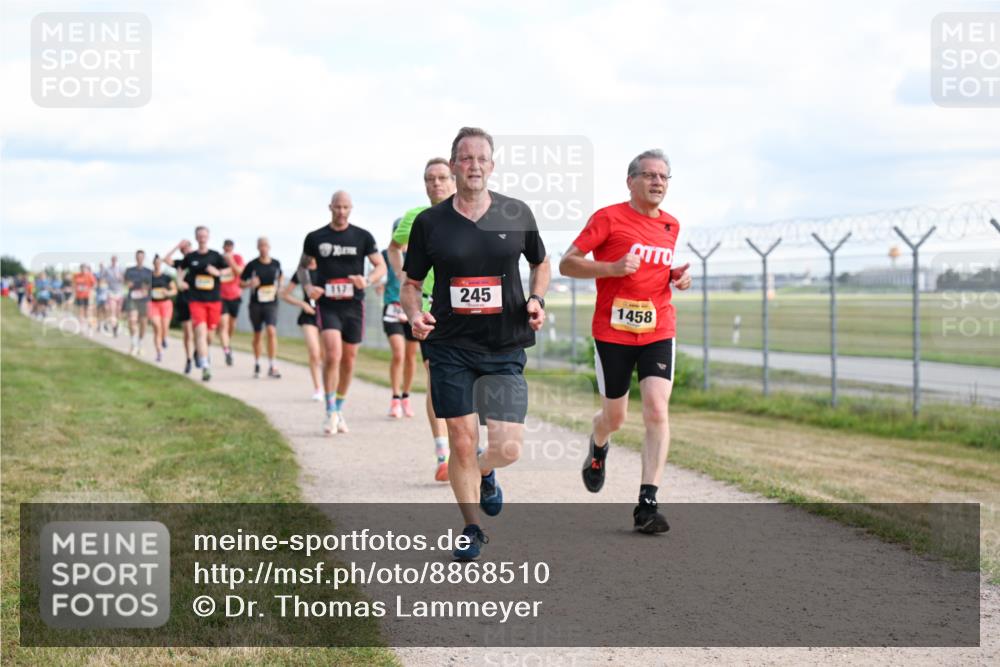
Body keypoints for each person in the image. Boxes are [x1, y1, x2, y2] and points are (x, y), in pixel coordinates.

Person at [401, 127, 550, 561]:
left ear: (493, 164)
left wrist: (537, 299)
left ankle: (487, 472)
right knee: (461, 440)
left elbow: (541, 262)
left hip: (504, 345)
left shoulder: (515, 212)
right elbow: (410, 285)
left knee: (507, 447)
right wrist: (414, 313)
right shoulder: (431, 224)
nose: (474, 165)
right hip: (450, 345)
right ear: (453, 165)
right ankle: (471, 528)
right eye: (465, 158)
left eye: (481, 157)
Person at [558, 148, 692, 534]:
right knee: (615, 417)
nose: (657, 182)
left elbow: (655, 270)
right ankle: (599, 445)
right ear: (630, 180)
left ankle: (647, 503)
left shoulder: (671, 225)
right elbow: (568, 262)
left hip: (658, 328)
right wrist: (611, 268)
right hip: (613, 331)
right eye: (649, 175)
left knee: (656, 409)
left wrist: (675, 277)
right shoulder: (608, 218)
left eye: (664, 177)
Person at [388, 156, 457, 482]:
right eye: (430, 179)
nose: (436, 184)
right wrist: (404, 275)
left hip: (464, 308)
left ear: (453, 179)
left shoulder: (469, 214)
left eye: (442, 178)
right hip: (430, 308)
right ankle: (443, 454)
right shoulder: (415, 217)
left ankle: (468, 445)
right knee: (436, 379)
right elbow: (393, 246)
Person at [297, 190, 386, 435]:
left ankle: (338, 408)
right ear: (330, 207)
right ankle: (329, 411)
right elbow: (303, 267)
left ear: (351, 208)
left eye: (346, 207)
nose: (341, 212)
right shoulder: (316, 237)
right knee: (333, 354)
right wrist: (307, 286)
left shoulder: (363, 236)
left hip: (354, 306)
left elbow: (381, 266)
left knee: (349, 359)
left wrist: (367, 280)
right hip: (328, 305)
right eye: (337, 207)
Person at [174, 227, 235, 381]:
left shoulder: (215, 256)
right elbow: (180, 270)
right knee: (200, 332)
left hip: (214, 301)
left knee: (209, 336)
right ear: (196, 237)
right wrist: (180, 282)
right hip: (196, 301)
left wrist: (218, 273)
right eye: (199, 235)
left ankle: (200, 353)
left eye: (204, 235)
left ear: (208, 237)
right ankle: (205, 367)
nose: (202, 238)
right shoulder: (190, 257)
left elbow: (229, 271)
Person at [381, 223, 419, 420]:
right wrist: (377, 282)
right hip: (392, 309)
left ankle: (406, 397)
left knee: (411, 357)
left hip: (412, 311)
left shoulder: (418, 254)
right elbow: (379, 270)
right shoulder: (387, 254)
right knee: (398, 353)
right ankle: (395, 397)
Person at [282, 257, 325, 400]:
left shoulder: (327, 267)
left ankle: (328, 385)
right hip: (309, 316)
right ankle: (318, 388)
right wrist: (303, 304)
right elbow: (285, 294)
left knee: (326, 355)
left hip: (326, 315)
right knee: (314, 352)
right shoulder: (302, 272)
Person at [241, 237, 283, 378]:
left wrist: (279, 285)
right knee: (258, 335)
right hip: (256, 304)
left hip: (271, 303)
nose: (263, 248)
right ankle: (257, 363)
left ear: (269, 247)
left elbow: (280, 276)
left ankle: (272, 366)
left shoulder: (276, 263)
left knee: (271, 331)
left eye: (265, 245)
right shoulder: (252, 265)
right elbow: (240, 283)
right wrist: (250, 284)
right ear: (258, 247)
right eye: (261, 246)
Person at [164, 240, 196, 373]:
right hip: (184, 299)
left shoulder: (197, 262)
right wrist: (177, 246)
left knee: (199, 331)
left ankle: (198, 351)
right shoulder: (179, 264)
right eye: (182, 249)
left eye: (186, 248)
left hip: (198, 299)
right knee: (187, 332)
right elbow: (166, 259)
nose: (184, 250)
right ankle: (189, 359)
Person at [218, 239, 246, 366]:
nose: (228, 248)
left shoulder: (238, 257)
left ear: (233, 247)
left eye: (230, 246)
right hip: (220, 296)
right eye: (226, 246)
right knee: (224, 325)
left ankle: (228, 343)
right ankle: (227, 351)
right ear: (223, 247)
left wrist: (231, 261)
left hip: (235, 296)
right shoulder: (218, 259)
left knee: (232, 325)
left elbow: (240, 272)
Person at [147, 255, 177, 363]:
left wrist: (167, 292)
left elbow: (174, 290)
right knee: (156, 327)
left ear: (161, 264)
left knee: (164, 327)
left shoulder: (166, 277)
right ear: (153, 264)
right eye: (156, 263)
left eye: (159, 263)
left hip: (165, 304)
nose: (157, 265)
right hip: (153, 304)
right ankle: (159, 352)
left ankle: (164, 338)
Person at [123, 250, 154, 356]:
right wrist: (128, 284)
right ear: (135, 258)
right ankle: (133, 344)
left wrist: (147, 288)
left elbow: (152, 285)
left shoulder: (149, 272)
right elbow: (125, 282)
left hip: (144, 300)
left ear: (144, 258)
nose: (139, 258)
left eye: (141, 257)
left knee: (143, 323)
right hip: (132, 298)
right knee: (132, 320)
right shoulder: (129, 270)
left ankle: (140, 343)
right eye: (138, 257)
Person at [100, 255, 124, 336]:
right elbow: (102, 277)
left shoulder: (121, 269)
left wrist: (120, 277)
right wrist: (102, 269)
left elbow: (125, 280)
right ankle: (114, 329)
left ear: (117, 260)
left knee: (118, 311)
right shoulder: (108, 269)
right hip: (111, 292)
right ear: (111, 260)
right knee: (112, 311)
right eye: (112, 260)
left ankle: (116, 326)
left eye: (115, 260)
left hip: (119, 292)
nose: (114, 261)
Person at [72, 264, 97, 332]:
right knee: (80, 310)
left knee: (87, 311)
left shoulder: (89, 275)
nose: (83, 269)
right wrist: (74, 293)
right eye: (82, 268)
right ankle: (81, 326)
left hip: (87, 296)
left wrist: (90, 290)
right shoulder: (76, 275)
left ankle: (89, 325)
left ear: (86, 269)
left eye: (84, 268)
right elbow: (74, 285)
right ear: (80, 269)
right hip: (79, 296)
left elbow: (94, 284)